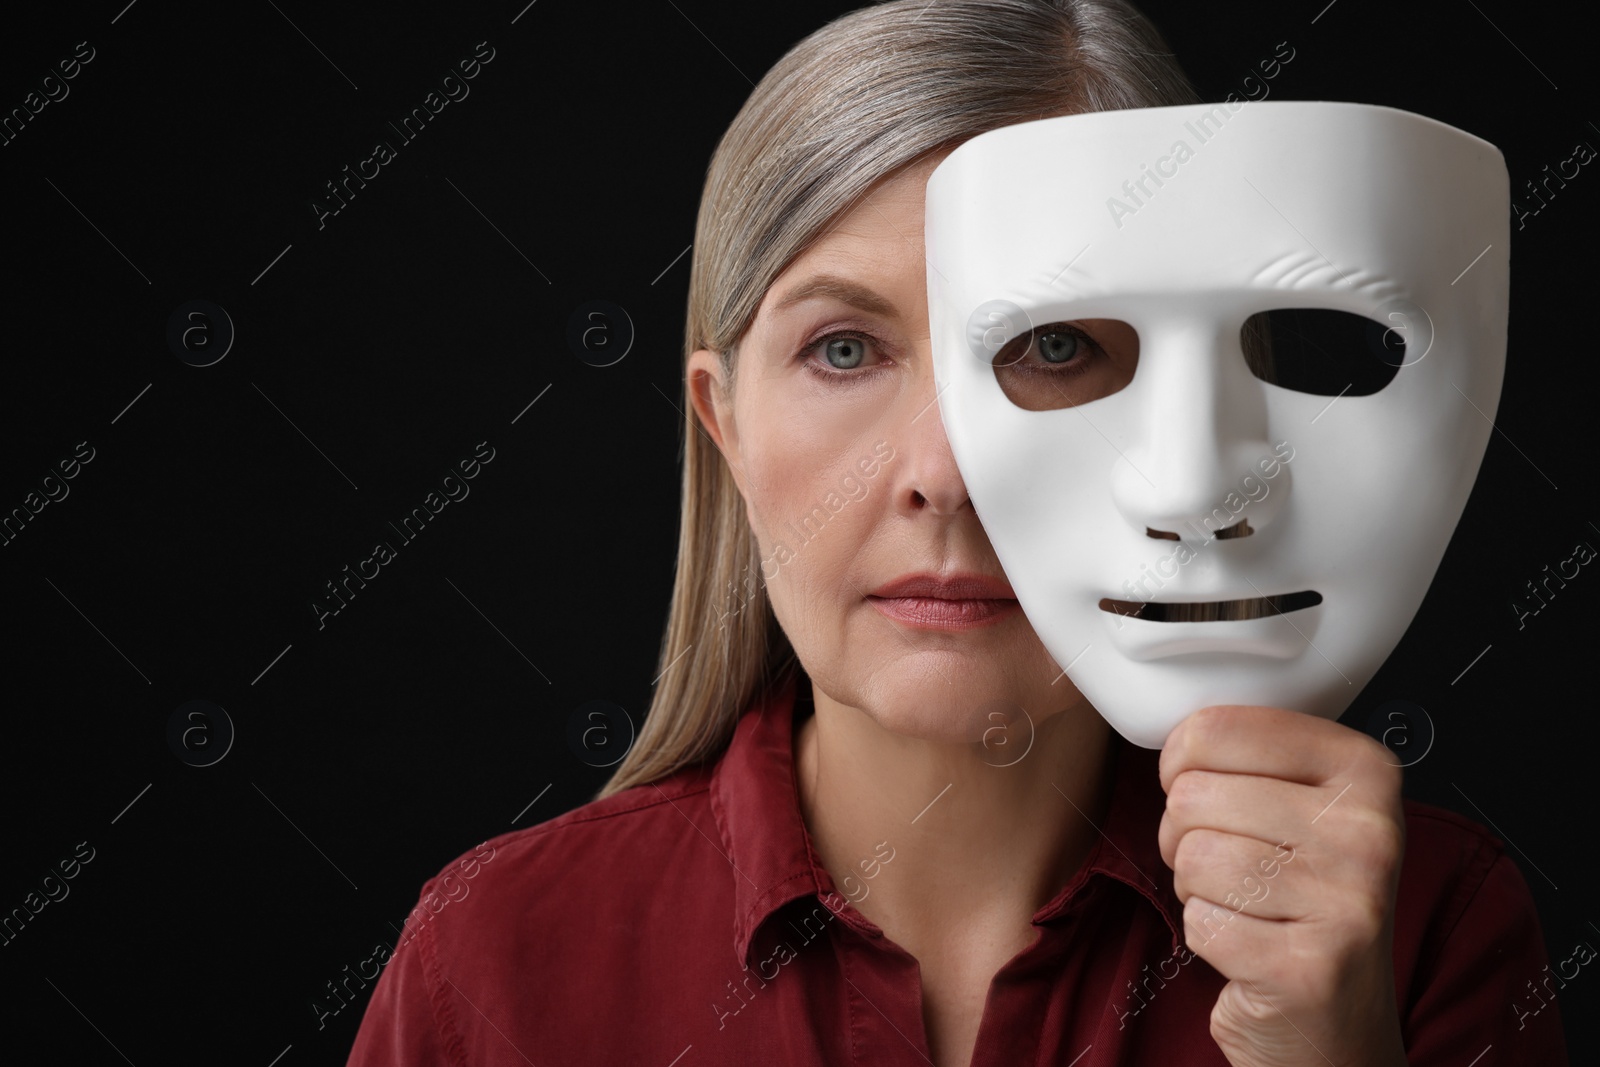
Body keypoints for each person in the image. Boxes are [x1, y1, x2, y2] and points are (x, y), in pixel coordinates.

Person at [346, 1, 1567, 1064]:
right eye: (842, 349)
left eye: (1053, 347)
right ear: (723, 423)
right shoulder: (494, 964)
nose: (943, 475)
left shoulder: (1418, 931)